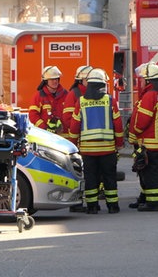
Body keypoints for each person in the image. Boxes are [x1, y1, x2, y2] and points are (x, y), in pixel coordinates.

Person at [69, 68, 124, 214]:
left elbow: (74, 127)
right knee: (109, 178)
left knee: (91, 179)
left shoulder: (81, 102)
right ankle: (113, 206)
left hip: (88, 151)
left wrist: (73, 145)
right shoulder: (110, 101)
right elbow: (118, 124)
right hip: (108, 149)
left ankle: (92, 206)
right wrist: (119, 143)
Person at [128, 63, 158, 211]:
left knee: (151, 172)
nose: (141, 81)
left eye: (143, 79)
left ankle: (154, 203)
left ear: (149, 81)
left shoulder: (150, 95)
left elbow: (141, 121)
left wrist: (134, 131)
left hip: (150, 143)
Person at [62, 65, 93, 213]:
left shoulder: (95, 93)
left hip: (90, 141)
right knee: (78, 172)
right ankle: (76, 203)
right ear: (81, 80)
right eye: (87, 79)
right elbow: (68, 119)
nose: (90, 81)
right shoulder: (73, 94)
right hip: (79, 140)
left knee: (90, 173)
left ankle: (88, 200)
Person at [29, 65, 68, 137]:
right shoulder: (38, 96)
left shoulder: (66, 95)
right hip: (45, 136)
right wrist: (45, 128)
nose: (55, 81)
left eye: (56, 79)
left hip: (64, 137)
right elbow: (33, 115)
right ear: (46, 81)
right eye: (52, 79)